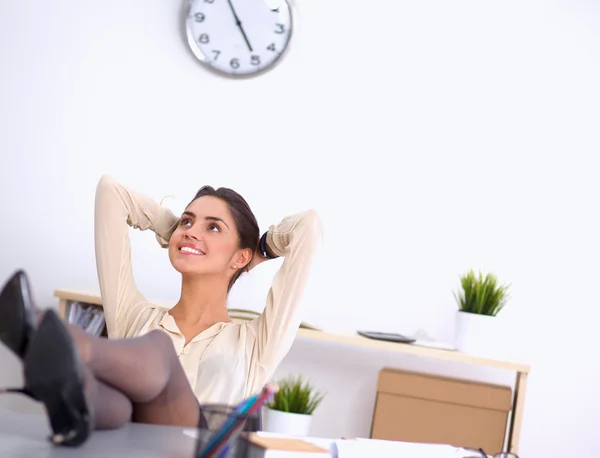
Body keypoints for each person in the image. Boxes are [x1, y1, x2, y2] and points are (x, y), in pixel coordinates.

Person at [94, 174, 322, 406]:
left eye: (213, 227)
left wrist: (260, 250)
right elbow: (111, 191)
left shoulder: (256, 345)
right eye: (187, 221)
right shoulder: (134, 320)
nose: (191, 231)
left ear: (241, 256)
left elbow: (308, 225)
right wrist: (176, 235)